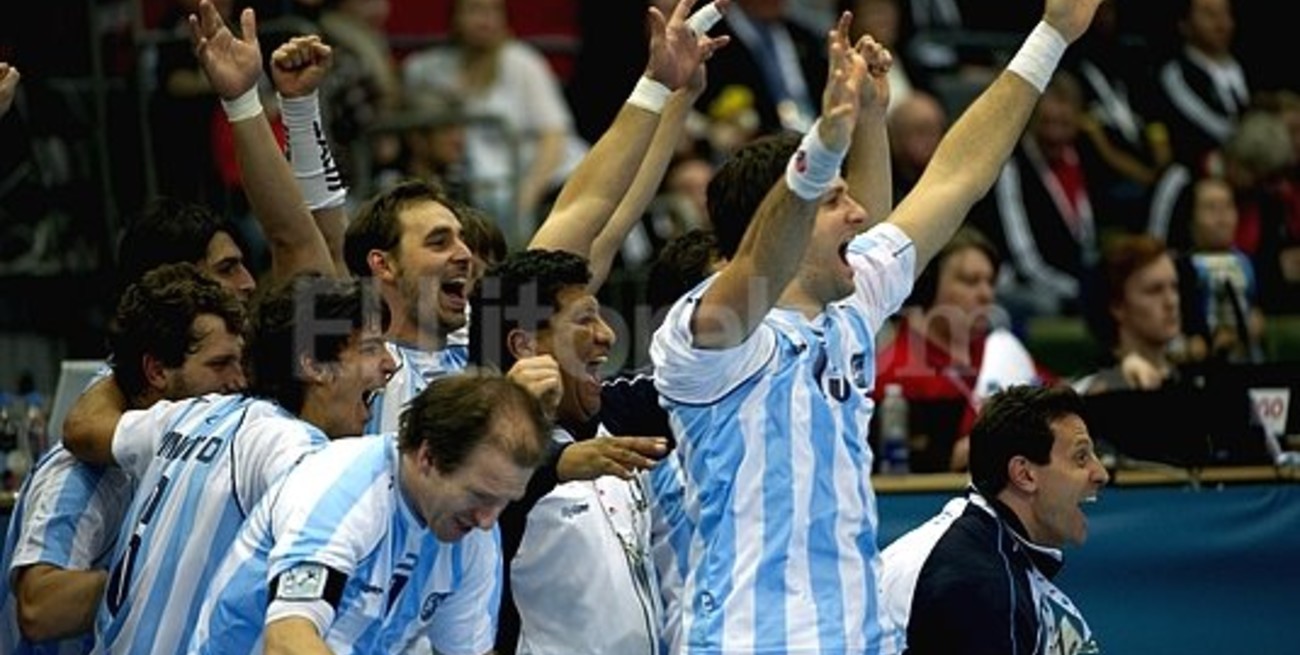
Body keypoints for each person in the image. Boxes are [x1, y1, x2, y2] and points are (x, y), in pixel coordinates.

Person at [649, 1, 1105, 651]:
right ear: (789, 215)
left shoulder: (850, 303)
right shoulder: (707, 338)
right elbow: (760, 259)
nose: (860, 213)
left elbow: (958, 175)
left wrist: (1050, 34)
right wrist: (827, 141)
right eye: (836, 199)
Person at [60, 274, 396, 655]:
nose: (389, 364)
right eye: (371, 349)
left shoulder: (192, 413)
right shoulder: (296, 451)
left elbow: (79, 429)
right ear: (313, 366)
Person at [188, 371, 551, 654]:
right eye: (479, 496)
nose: (488, 520)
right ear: (428, 457)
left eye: (504, 501)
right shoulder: (341, 488)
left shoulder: (476, 534)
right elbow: (287, 640)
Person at [0, 263, 247, 654]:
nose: (238, 381)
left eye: (239, 362)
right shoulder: (80, 475)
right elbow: (38, 608)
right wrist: (159, 567)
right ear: (155, 370)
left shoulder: (175, 446)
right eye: (219, 365)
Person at [469, 248, 673, 654]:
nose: (608, 334)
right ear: (525, 346)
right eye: (584, 319)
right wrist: (553, 462)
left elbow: (704, 374)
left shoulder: (616, 413)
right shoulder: (476, 457)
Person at [877, 384, 1108, 654]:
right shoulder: (977, 583)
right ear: (1024, 475)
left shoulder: (987, 549)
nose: (1101, 473)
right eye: (1081, 457)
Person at [402, 0, 592, 246]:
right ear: (455, 18)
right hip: (479, 180)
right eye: (474, 10)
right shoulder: (430, 68)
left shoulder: (523, 62)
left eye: (493, 11)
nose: (485, 20)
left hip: (544, 178)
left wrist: (526, 198)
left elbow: (554, 137)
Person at [874, 227, 1053, 472]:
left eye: (990, 282)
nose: (986, 294)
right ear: (926, 286)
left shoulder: (1001, 353)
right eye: (970, 281)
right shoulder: (891, 374)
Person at [1075, 234, 1196, 394]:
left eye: (1174, 287)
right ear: (1117, 306)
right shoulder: (1093, 390)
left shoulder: (1193, 380)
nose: (1171, 302)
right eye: (1154, 290)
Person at [1154, 0, 1250, 170]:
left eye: (1225, 14)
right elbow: (1209, 126)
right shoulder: (1176, 73)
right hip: (1200, 168)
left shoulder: (1247, 66)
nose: (1221, 24)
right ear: (1184, 25)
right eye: (1209, 15)